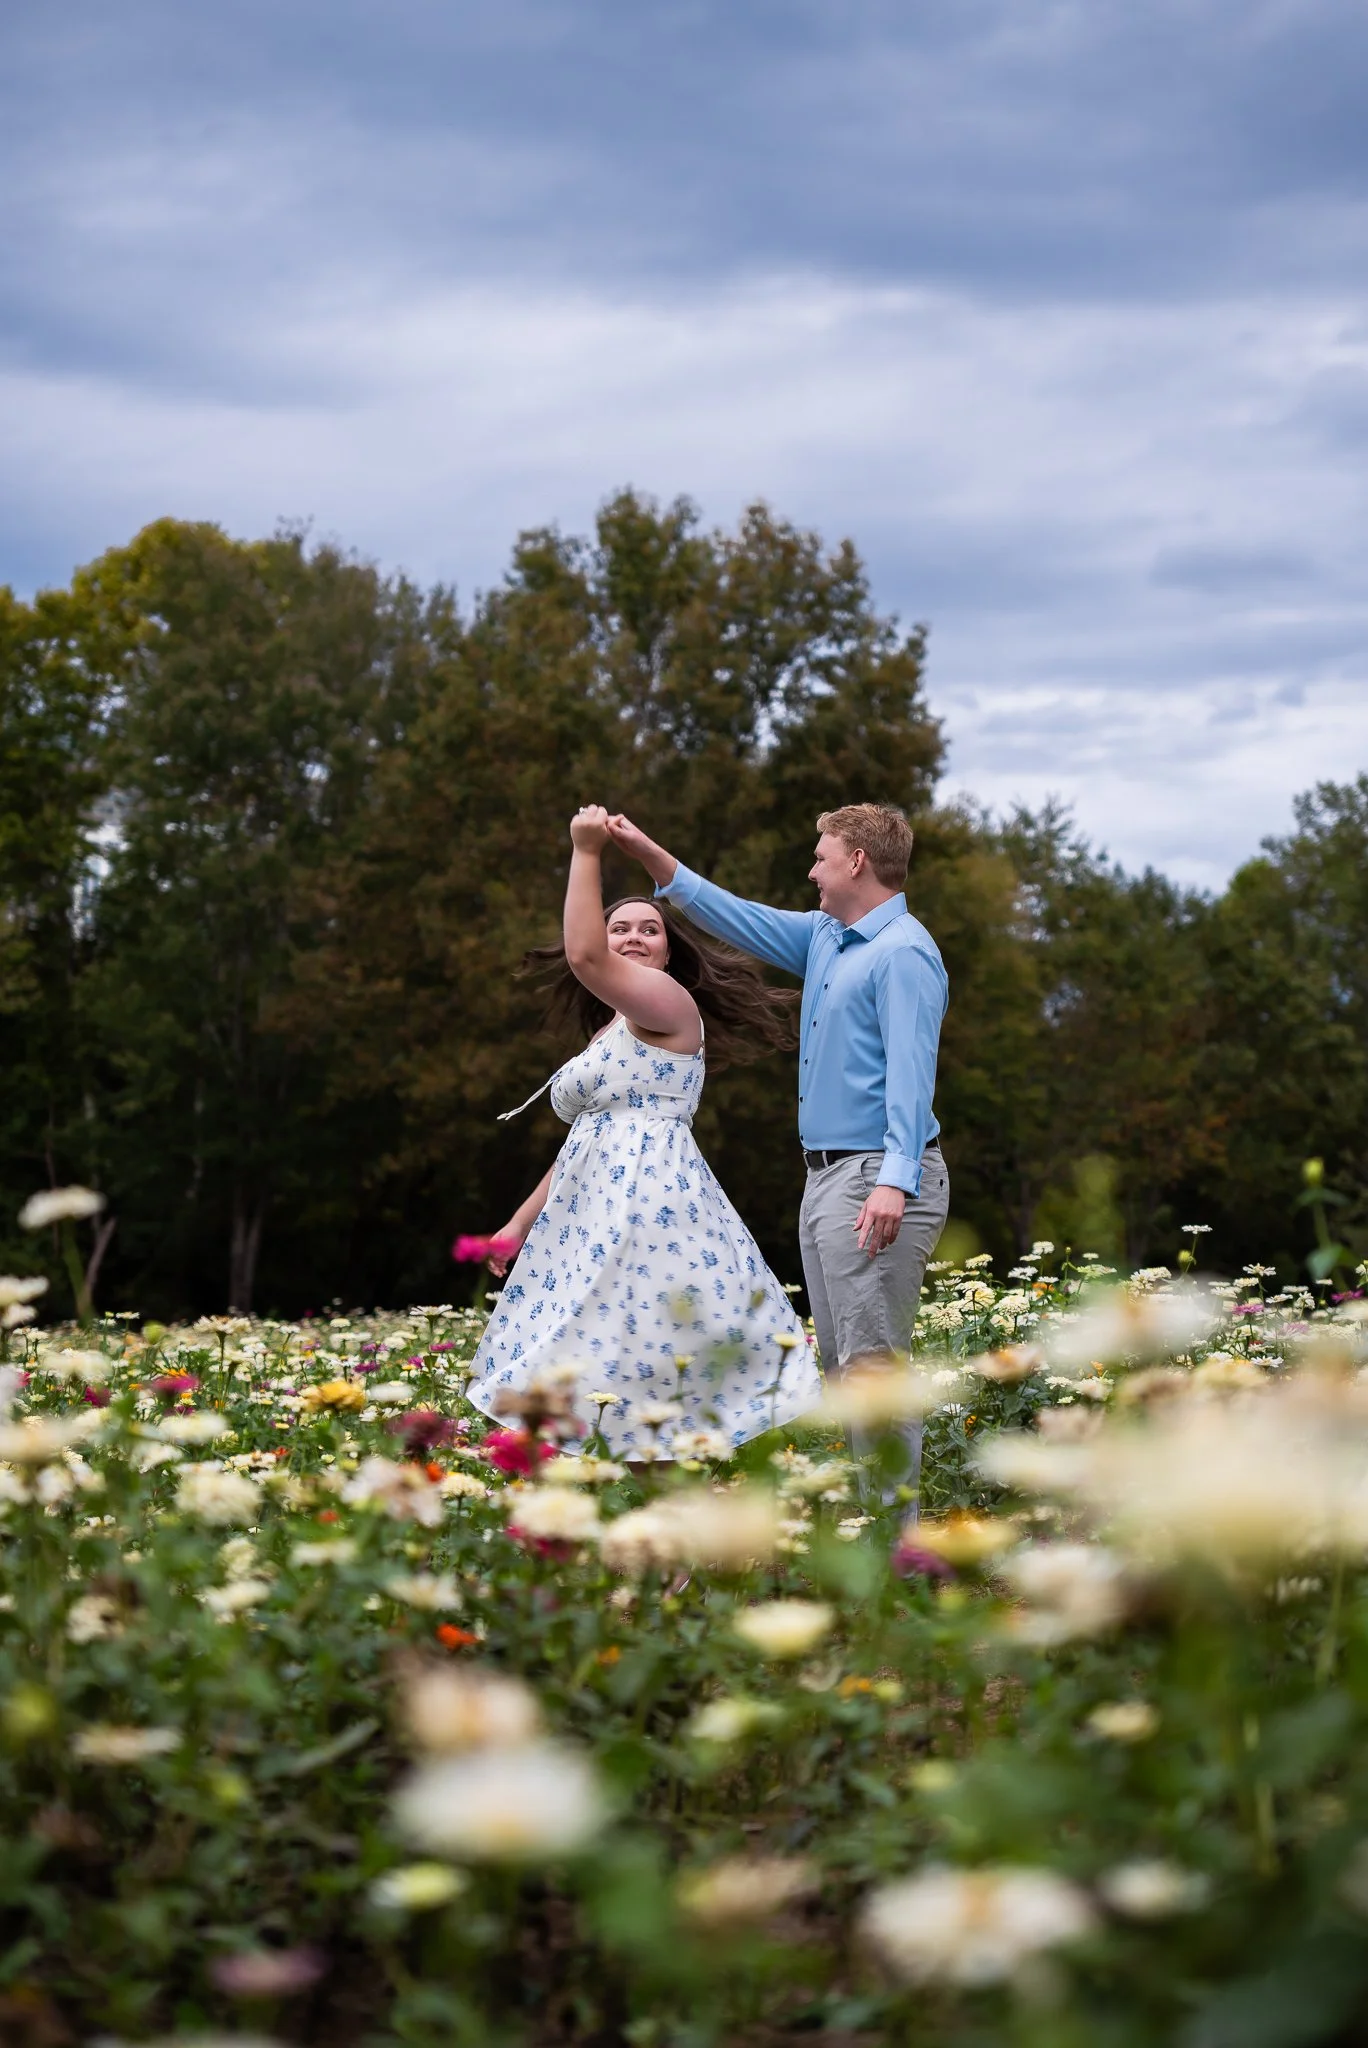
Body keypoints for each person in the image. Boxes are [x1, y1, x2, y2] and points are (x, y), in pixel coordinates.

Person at [606, 803, 949, 1498]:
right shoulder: (828, 937)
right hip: (826, 1178)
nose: (812, 869)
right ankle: (870, 1546)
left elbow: (913, 1077)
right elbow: (734, 914)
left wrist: (895, 1179)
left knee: (872, 1372)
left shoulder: (903, 951)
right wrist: (648, 853)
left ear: (857, 860)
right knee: (845, 1373)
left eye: (821, 856)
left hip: (873, 1177)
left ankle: (891, 1563)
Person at [466, 804, 822, 1461]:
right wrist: (518, 1224)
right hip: (589, 1211)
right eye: (620, 927)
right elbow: (589, 1137)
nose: (633, 938)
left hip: (648, 1211)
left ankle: (687, 1538)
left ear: (668, 948)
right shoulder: (612, 1029)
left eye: (648, 930)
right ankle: (640, 1542)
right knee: (604, 1381)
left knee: (638, 1378)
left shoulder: (668, 1005)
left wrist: (586, 849)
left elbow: (583, 953)